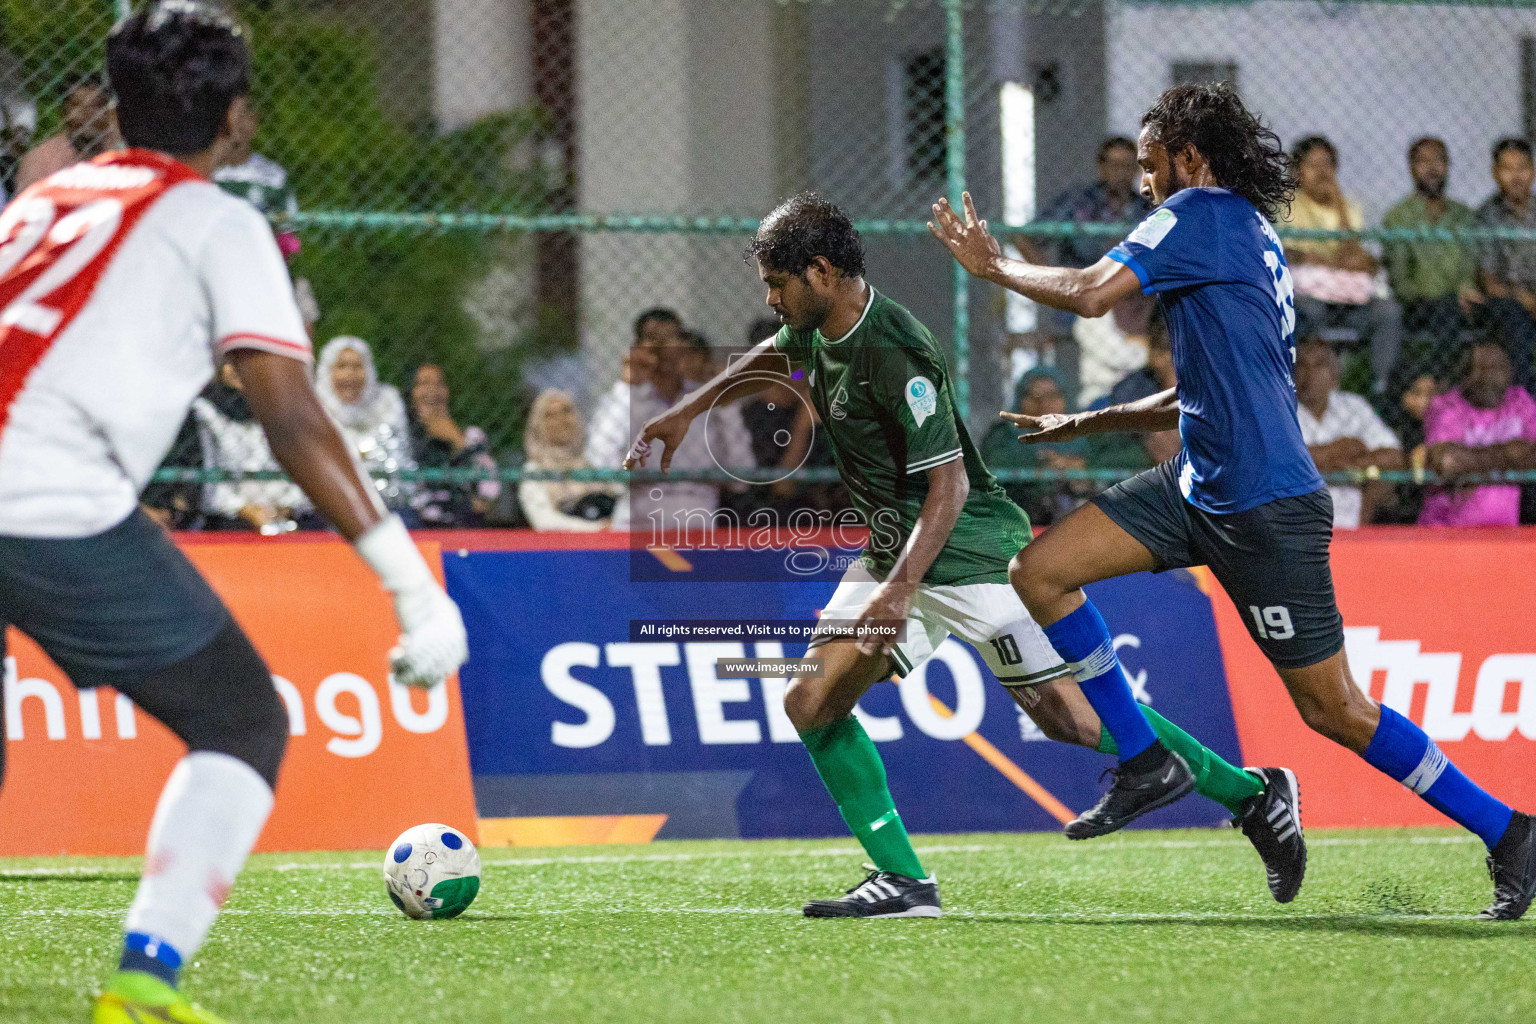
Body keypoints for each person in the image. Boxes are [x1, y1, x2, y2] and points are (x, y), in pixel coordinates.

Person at [930, 81, 1535, 920]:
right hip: (1196, 484)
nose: (1145, 182)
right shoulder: (1246, 231)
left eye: (1151, 165)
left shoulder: (1197, 214)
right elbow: (1218, 387)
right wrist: (1094, 416)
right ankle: (1145, 763)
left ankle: (1508, 831)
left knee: (1336, 710)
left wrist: (995, 266)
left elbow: (1093, 292)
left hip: (1262, 506)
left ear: (1190, 156)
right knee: (1039, 572)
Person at [628, 192, 1300, 919]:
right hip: (898, 555)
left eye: (776, 282)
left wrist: (897, 591)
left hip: (972, 552)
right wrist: (686, 410)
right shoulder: (816, 327)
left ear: (819, 272)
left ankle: (1254, 795)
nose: (769, 298)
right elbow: (775, 353)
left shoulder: (897, 349)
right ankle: (905, 883)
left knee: (1069, 720)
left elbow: (947, 485)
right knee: (811, 700)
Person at [0, 7, 468, 1024]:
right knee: (241, 717)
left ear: (114, 109)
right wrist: (412, 589)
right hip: (40, 500)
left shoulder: (36, 201)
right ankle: (143, 980)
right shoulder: (220, 221)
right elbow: (292, 414)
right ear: (239, 119)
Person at [1282, 135, 1403, 393]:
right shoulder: (1286, 204)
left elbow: (1355, 256)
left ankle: (1378, 388)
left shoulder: (1349, 207)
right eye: (1312, 165)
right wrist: (1332, 260)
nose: (1322, 173)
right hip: (1309, 297)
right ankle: (1305, 387)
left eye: (1327, 165)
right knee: (1307, 312)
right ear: (1297, 171)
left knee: (1387, 313)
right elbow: (1287, 253)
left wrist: (1337, 201)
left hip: (1349, 298)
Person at [1382, 137, 1482, 355]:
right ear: (1411, 168)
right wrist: (1436, 297)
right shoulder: (1398, 217)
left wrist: (1466, 288)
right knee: (1445, 309)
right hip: (1418, 305)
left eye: (1439, 160)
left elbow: (1469, 263)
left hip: (1463, 303)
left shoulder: (1463, 215)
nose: (1432, 168)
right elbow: (1400, 279)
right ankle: (1443, 383)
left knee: (1503, 311)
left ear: (1447, 166)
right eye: (1423, 161)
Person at [1419, 342, 1536, 527]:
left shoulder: (1518, 401)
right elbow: (1446, 461)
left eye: (1498, 367)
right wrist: (1510, 454)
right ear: (1464, 375)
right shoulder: (1446, 406)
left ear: (1511, 372)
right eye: (1483, 368)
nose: (1490, 377)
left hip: (1505, 532)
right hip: (1446, 532)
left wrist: (1471, 461)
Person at [1293, 339, 1404, 528]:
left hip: (1352, 525)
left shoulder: (1354, 406)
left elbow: (1394, 456)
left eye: (1319, 365)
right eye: (1302, 365)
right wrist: (1340, 449)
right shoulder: (1278, 409)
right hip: (1297, 528)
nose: (1310, 374)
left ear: (1335, 375)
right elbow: (1281, 462)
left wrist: (1351, 465)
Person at [192, 361, 314, 532]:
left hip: (288, 516)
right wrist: (245, 509)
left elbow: (306, 468)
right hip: (228, 520)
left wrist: (288, 505)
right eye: (231, 361)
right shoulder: (204, 411)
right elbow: (208, 477)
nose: (239, 367)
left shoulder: (290, 406)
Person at [315, 336, 418, 521]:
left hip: (388, 505)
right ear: (327, 371)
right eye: (341, 366)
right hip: (327, 509)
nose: (350, 375)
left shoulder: (387, 400)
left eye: (357, 366)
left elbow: (396, 459)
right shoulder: (312, 405)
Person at [980, 368, 1090, 525]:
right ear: (1020, 399)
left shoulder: (1086, 433)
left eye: (1052, 396)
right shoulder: (1003, 434)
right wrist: (1041, 461)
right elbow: (992, 464)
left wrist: (1080, 464)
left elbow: (1122, 459)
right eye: (1034, 396)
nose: (1044, 403)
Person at [1474, 138, 1536, 387]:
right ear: (1495, 174)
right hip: (1510, 301)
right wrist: (1526, 299)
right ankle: (1526, 407)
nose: (1516, 176)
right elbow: (1488, 282)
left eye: (1522, 168)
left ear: (1532, 171)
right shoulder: (1487, 217)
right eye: (1507, 169)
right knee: (1514, 323)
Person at [407, 363, 500, 528]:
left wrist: (457, 441)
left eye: (439, 384)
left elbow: (489, 489)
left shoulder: (471, 435)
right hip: (419, 523)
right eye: (424, 383)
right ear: (413, 392)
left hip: (465, 520)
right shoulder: (404, 436)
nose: (432, 390)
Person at [1088, 308, 1181, 469]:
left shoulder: (1220, 393)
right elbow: (1098, 458)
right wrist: (1146, 452)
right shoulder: (1127, 395)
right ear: (1156, 355)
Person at [584, 308, 676, 470]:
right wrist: (627, 385)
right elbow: (599, 455)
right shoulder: (625, 397)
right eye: (655, 344)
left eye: (669, 342)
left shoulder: (697, 391)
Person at [519, 388, 622, 530]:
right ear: (538, 425)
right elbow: (544, 520)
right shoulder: (534, 469)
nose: (560, 420)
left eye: (566, 411)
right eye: (549, 415)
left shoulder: (593, 460)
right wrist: (597, 529)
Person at [14, 72, 120, 191]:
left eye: (94, 106)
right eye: (76, 106)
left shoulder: (124, 148)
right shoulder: (40, 159)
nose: (85, 116)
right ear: (63, 112)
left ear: (110, 110)